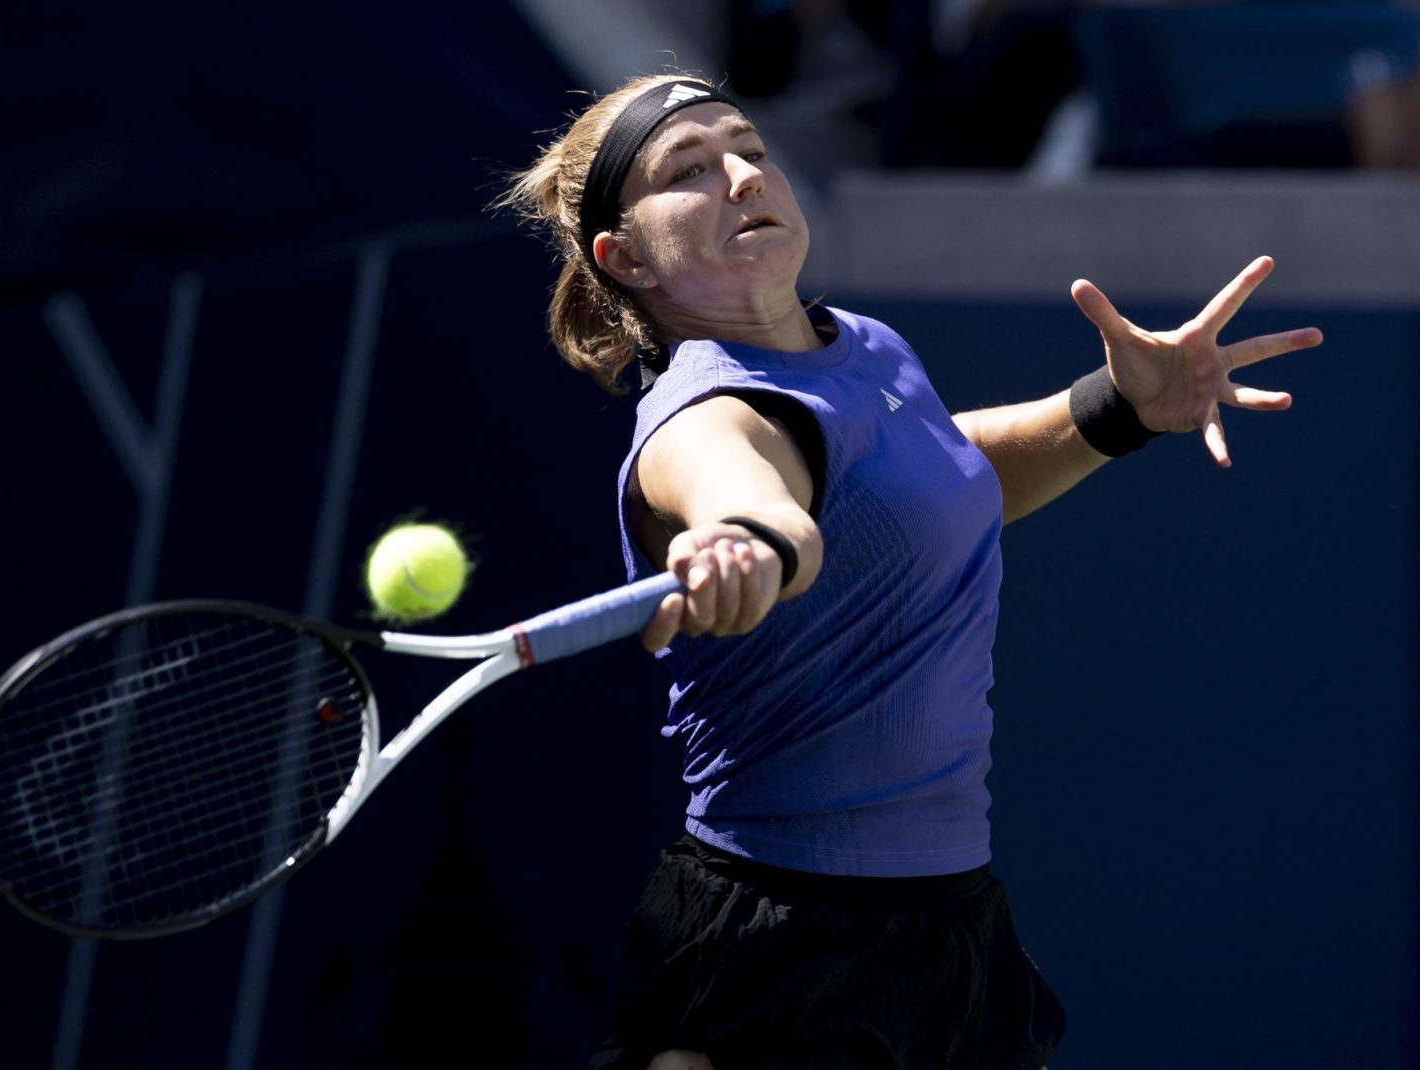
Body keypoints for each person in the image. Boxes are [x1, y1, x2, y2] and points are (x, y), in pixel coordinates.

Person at [499, 73, 1322, 1070]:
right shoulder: (703, 416)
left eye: (750, 150)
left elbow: (932, 478)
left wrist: (1118, 407)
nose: (740, 176)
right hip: (777, 945)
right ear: (624, 258)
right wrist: (742, 543)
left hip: (951, 926)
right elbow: (762, 504)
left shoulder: (866, 347)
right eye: (689, 169)